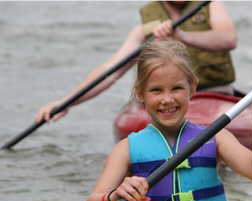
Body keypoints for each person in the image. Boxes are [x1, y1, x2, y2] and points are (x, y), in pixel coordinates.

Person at [83, 38, 252, 201]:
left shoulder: (216, 138)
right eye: (156, 90)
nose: (167, 99)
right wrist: (115, 195)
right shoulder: (126, 148)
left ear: (192, 87)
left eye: (176, 88)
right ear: (140, 93)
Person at [35, 1, 238, 124]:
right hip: (166, 103)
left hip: (216, 96)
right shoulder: (143, 30)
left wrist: (181, 35)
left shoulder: (211, 5)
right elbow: (110, 71)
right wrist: (67, 102)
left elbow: (228, 39)